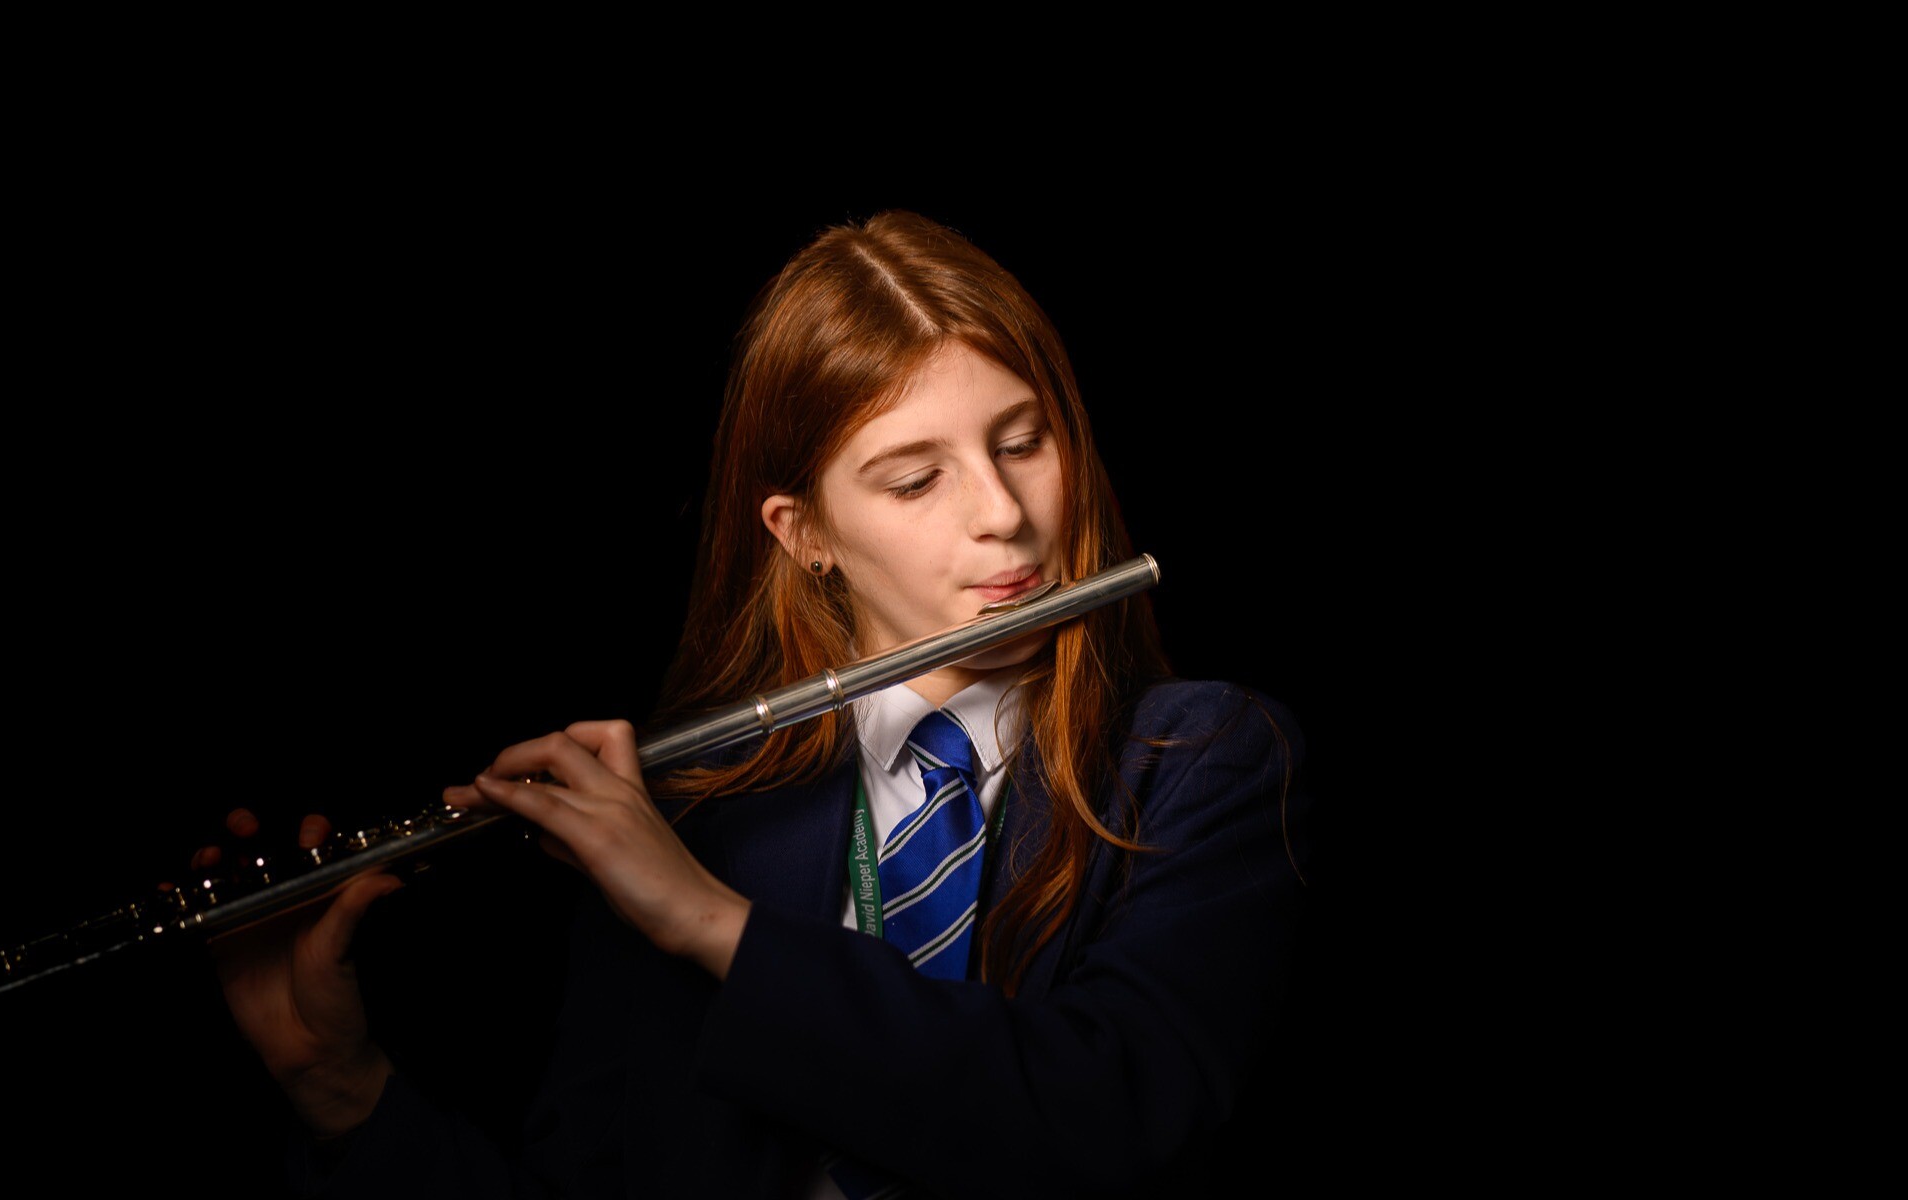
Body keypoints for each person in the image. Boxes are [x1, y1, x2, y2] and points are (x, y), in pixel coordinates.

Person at [209, 210, 1310, 1198]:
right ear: (805, 535)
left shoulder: (1195, 757)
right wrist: (343, 1089)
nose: (1003, 514)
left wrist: (707, 924)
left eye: (1023, 442)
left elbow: (1107, 1119)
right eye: (914, 479)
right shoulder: (701, 819)